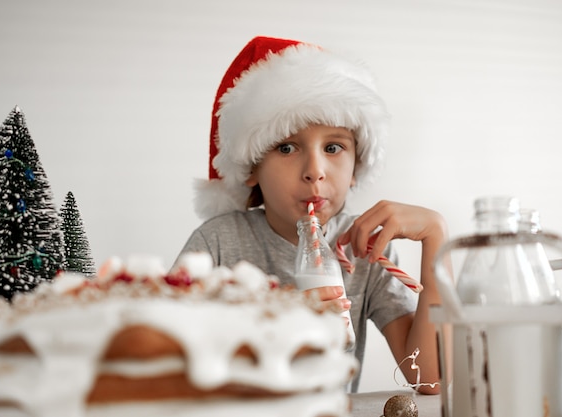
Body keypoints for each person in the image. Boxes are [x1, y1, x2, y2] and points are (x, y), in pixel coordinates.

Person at [176, 36, 449, 394]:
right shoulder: (217, 245)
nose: (315, 171)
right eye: (287, 147)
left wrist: (436, 239)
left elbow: (430, 380)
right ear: (251, 166)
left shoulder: (365, 249)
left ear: (357, 166)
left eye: (333, 147)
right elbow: (170, 361)